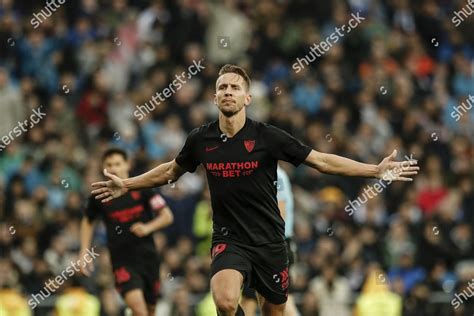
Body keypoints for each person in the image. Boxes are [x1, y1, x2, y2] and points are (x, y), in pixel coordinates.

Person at [91, 64, 419, 316]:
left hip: (270, 241)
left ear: (247, 97)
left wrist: (375, 170)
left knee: (274, 310)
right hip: (229, 239)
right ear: (215, 97)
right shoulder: (200, 140)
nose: (228, 91)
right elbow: (169, 172)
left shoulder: (267, 137)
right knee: (225, 302)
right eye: (222, 87)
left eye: (235, 87)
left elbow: (321, 161)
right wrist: (128, 184)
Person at [81, 148, 174, 316]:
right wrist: (83, 251)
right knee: (139, 310)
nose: (114, 168)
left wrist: (148, 227)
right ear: (103, 168)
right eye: (109, 165)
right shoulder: (100, 194)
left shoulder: (143, 189)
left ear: (127, 165)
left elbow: (167, 216)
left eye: (117, 164)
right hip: (122, 261)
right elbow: (88, 220)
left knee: (150, 311)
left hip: (149, 259)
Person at [240, 165, 300, 316]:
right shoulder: (266, 173)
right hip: (268, 244)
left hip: (272, 245)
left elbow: (280, 212)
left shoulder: (275, 174)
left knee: (275, 301)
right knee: (254, 298)